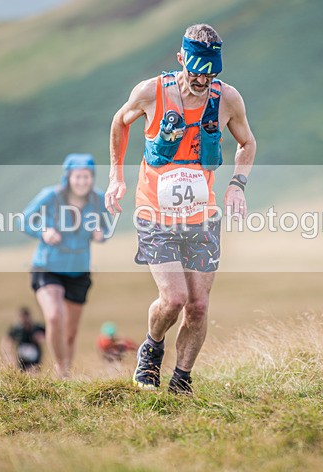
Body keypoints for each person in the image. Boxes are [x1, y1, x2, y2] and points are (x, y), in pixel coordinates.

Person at [105, 24, 256, 394]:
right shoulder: (150, 92)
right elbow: (119, 122)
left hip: (202, 216)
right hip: (154, 213)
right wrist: (115, 176)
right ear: (180, 60)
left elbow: (247, 143)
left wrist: (237, 185)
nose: (203, 80)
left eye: (210, 73)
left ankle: (181, 381)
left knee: (198, 305)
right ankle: (151, 348)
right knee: (174, 299)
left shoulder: (227, 99)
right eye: (196, 72)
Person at [20, 154, 110, 378]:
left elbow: (107, 226)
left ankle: (64, 376)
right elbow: (23, 220)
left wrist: (101, 233)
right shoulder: (50, 196)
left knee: (70, 332)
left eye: (87, 177)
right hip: (47, 267)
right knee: (53, 317)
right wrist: (43, 231)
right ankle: (61, 369)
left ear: (92, 177)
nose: (82, 181)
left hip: (79, 272)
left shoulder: (98, 199)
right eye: (78, 176)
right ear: (68, 177)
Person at [1, 307, 46, 372]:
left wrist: (41, 338)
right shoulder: (16, 329)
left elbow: (49, 336)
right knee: (21, 371)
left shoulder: (37, 328)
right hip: (22, 357)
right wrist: (8, 355)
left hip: (35, 357)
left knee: (34, 371)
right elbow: (8, 341)